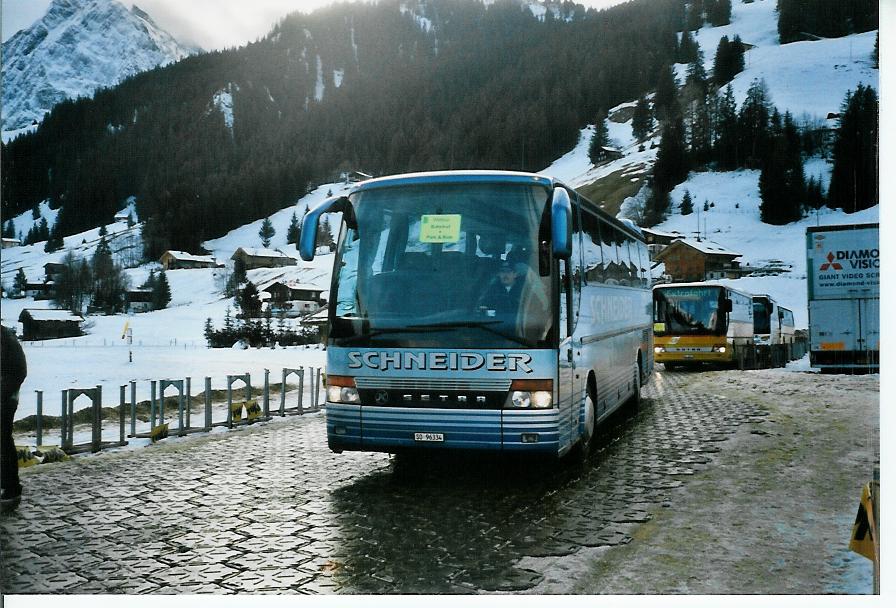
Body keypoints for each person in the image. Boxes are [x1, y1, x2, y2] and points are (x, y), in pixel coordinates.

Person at [1, 325, 27, 513]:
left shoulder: (5, 338)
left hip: (5, 401)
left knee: (3, 441)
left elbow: (18, 371)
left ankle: (11, 488)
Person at [477, 262, 524, 331]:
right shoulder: (491, 290)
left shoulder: (524, 290)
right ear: (499, 274)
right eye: (502, 272)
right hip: (495, 329)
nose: (505, 275)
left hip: (520, 328)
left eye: (509, 272)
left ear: (515, 274)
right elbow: (483, 308)